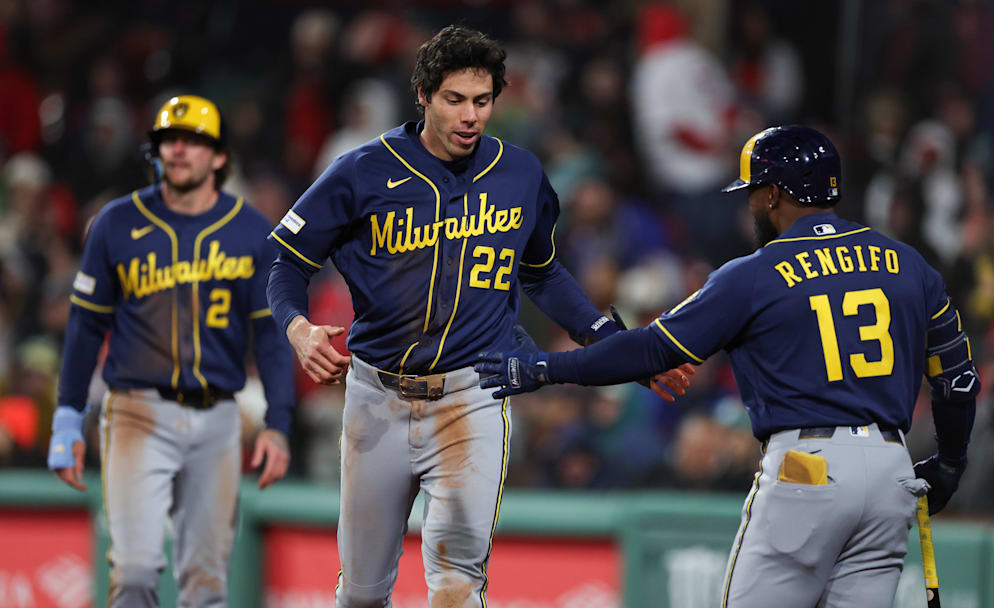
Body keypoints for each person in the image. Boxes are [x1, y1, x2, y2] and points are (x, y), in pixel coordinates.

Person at [265, 25, 692, 607]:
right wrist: (297, 326)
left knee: (458, 587)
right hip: (376, 396)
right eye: (455, 99)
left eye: (483, 100)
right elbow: (285, 262)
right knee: (362, 595)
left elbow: (541, 271)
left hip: (472, 394)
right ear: (423, 94)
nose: (471, 115)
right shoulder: (362, 170)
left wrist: (612, 344)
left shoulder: (519, 174)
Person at [477, 125, 981, 608]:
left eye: (754, 190)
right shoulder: (909, 264)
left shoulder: (756, 274)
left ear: (774, 196)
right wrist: (951, 463)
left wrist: (544, 369)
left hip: (810, 467)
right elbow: (957, 381)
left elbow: (652, 351)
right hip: (892, 473)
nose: (751, 202)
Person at [46, 95, 296, 607]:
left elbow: (270, 338)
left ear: (220, 156)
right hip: (138, 411)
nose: (179, 151)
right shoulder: (116, 223)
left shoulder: (251, 231)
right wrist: (68, 416)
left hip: (218, 417)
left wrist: (279, 422)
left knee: (206, 588)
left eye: (194, 141)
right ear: (155, 150)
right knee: (135, 573)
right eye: (169, 141)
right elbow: (85, 327)